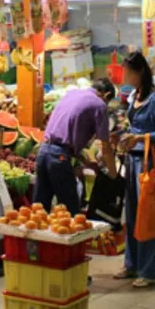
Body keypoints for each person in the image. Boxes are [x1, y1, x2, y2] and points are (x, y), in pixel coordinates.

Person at [114, 52, 155, 288]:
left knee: (147, 216)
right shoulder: (134, 96)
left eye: (127, 71)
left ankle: (148, 271)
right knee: (132, 215)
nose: (124, 76)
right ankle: (131, 264)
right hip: (130, 160)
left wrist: (140, 137)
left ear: (138, 73)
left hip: (147, 162)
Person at [35, 78, 118, 215]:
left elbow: (65, 135)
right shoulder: (100, 104)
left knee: (39, 210)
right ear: (107, 95)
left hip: (43, 152)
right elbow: (105, 147)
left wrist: (84, 160)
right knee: (70, 213)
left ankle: (34, 237)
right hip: (59, 158)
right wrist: (114, 175)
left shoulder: (71, 94)